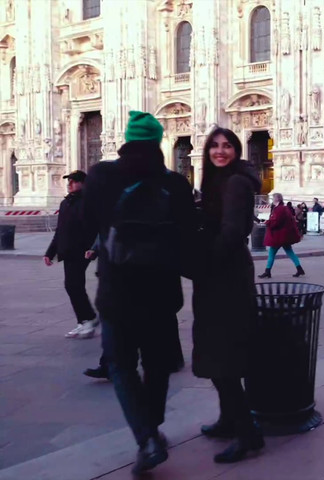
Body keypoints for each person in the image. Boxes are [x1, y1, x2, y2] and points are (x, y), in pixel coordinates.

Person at [82, 111, 195, 474]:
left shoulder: (101, 175)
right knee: (158, 365)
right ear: (159, 141)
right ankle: (153, 429)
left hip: (116, 293)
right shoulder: (175, 184)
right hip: (161, 294)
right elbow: (187, 236)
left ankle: (146, 438)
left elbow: (88, 221)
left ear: (127, 140)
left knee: (120, 365)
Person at [192, 127, 265, 464]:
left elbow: (233, 231)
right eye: (214, 146)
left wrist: (203, 263)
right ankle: (227, 420)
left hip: (226, 277)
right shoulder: (219, 181)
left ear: (236, 150)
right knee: (217, 352)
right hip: (222, 274)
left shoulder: (235, 183)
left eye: (227, 146)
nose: (220, 152)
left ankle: (247, 434)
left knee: (225, 358)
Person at [45, 170, 99, 339]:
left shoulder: (89, 202)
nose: (70, 184)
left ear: (83, 183)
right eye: (69, 181)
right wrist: (50, 252)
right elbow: (60, 230)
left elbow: (97, 228)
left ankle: (88, 319)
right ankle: (83, 320)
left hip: (82, 250)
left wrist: (93, 248)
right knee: (72, 285)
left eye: (74, 181)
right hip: (67, 250)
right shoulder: (65, 203)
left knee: (73, 284)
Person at [258, 192, 304, 278]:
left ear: (277, 199)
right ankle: (299, 269)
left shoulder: (279, 209)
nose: (272, 200)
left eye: (273, 198)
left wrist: (266, 222)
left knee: (272, 253)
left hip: (278, 236)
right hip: (284, 236)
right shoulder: (284, 208)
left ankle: (267, 271)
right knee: (290, 252)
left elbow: (275, 221)